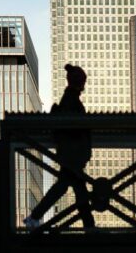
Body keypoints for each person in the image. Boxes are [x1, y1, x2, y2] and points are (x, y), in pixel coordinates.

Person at [23, 64, 95, 229]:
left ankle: (34, 217)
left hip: (69, 155)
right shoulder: (72, 102)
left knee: (71, 189)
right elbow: (76, 129)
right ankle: (89, 227)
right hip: (72, 157)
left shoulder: (68, 99)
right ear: (80, 82)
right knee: (75, 191)